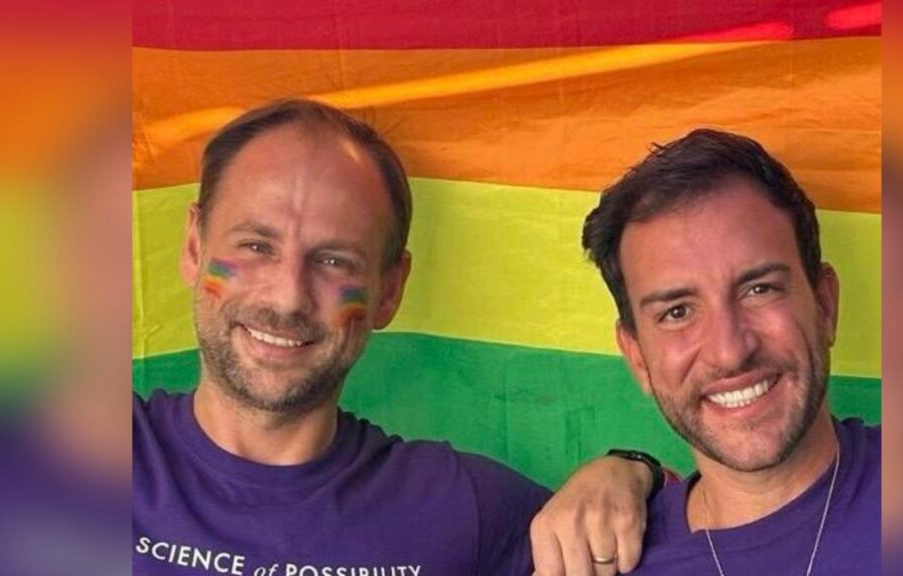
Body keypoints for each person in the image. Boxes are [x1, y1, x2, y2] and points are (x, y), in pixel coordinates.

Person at [133, 98, 656, 576]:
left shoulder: (458, 511)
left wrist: (636, 475)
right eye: (255, 246)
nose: (288, 297)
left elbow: (705, 544)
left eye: (334, 260)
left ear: (389, 290)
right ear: (195, 247)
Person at [579, 129, 880, 574]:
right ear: (637, 356)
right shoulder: (607, 564)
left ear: (824, 304)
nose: (730, 351)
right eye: (677, 312)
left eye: (759, 289)